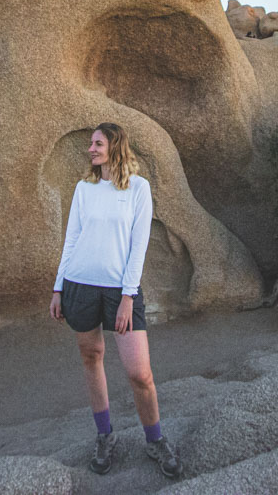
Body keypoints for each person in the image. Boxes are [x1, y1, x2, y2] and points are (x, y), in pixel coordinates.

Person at [49, 122, 183, 478]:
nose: (90, 149)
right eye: (90, 144)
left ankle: (155, 440)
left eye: (97, 143)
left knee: (140, 373)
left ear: (115, 146)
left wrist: (127, 296)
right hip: (79, 283)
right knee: (91, 357)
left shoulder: (138, 188)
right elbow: (72, 239)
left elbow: (139, 246)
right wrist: (58, 288)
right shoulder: (84, 187)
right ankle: (105, 436)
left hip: (120, 291)